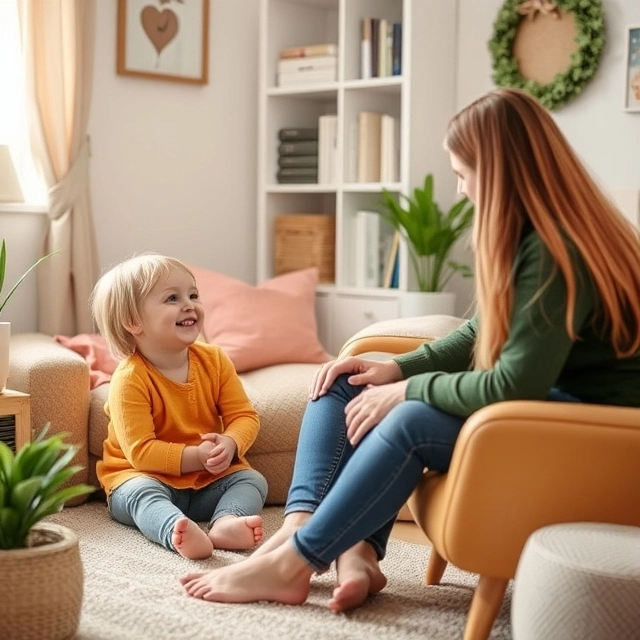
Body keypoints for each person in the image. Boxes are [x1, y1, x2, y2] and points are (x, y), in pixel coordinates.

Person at [180, 88, 640, 608]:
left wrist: (408, 392)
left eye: (464, 175)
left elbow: (518, 383)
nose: (462, 191)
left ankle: (293, 563)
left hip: (595, 433)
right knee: (347, 380)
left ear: (500, 173)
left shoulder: (555, 251)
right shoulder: (542, 235)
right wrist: (396, 368)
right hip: (550, 415)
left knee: (409, 419)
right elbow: (478, 336)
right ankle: (330, 539)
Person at [91, 254, 268, 560]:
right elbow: (141, 453)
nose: (189, 305)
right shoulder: (129, 378)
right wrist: (197, 456)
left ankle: (226, 521)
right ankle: (175, 529)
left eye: (193, 295)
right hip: (142, 477)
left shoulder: (215, 360)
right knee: (140, 495)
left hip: (205, 483)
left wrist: (230, 441)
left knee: (252, 480)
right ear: (134, 322)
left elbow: (243, 416)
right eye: (172, 298)